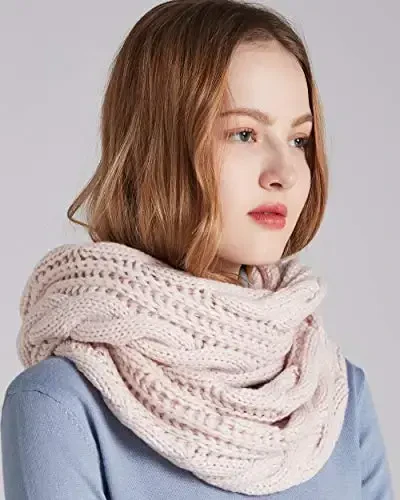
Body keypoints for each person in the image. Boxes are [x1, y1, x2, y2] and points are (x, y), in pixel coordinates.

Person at [1, 0, 394, 498]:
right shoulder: (62, 406)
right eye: (245, 134)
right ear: (160, 148)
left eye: (299, 140)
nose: (286, 172)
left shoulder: (336, 400)